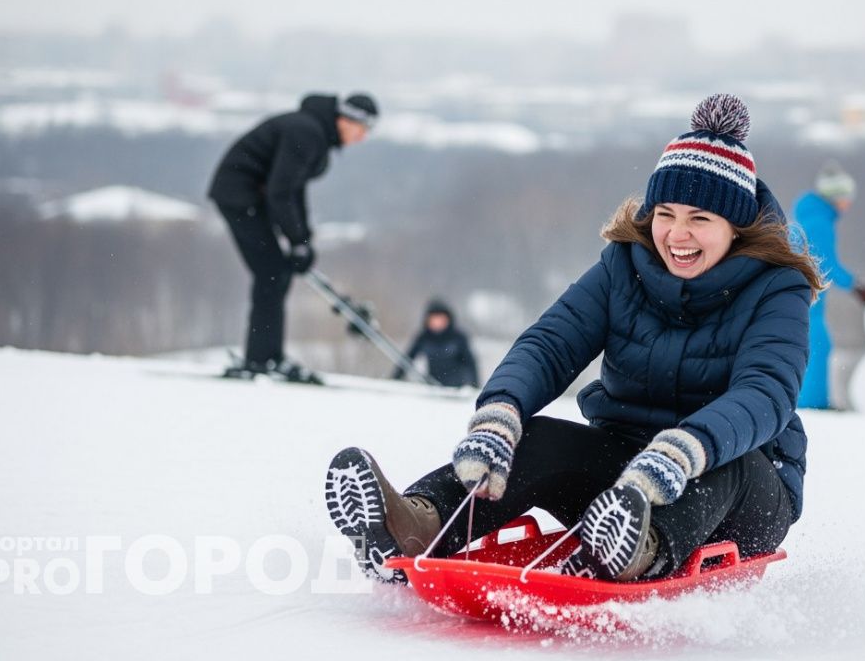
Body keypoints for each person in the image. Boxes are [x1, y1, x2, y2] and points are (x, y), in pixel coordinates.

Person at [325, 94, 823, 584]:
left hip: (744, 488)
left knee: (721, 468)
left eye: (700, 219)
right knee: (535, 439)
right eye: (666, 213)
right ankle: (415, 524)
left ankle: (636, 551)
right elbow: (551, 343)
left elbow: (766, 393)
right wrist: (501, 414)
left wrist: (684, 450)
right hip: (623, 483)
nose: (676, 234)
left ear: (735, 227)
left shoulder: (777, 287)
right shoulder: (624, 266)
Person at [209, 92, 379, 384]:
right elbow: (281, 191)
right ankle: (262, 359)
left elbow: (292, 189)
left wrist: (302, 239)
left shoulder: (312, 131)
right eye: (362, 130)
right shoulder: (308, 132)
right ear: (346, 119)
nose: (362, 138)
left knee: (275, 274)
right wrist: (298, 240)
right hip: (239, 196)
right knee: (271, 273)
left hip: (249, 196)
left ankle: (266, 356)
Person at [790, 161, 865, 410]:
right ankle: (812, 403)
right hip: (807, 295)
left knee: (813, 344)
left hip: (800, 292)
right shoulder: (819, 222)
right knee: (816, 345)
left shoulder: (809, 216)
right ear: (835, 197)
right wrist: (856, 286)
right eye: (846, 197)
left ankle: (811, 400)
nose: (849, 203)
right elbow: (825, 264)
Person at [392, 299, 480, 388]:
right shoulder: (423, 337)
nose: (437, 323)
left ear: (448, 319)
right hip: (433, 387)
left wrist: (475, 386)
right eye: (434, 319)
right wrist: (394, 380)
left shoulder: (458, 338)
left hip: (456, 390)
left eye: (440, 319)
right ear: (428, 320)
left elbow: (470, 364)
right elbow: (407, 360)